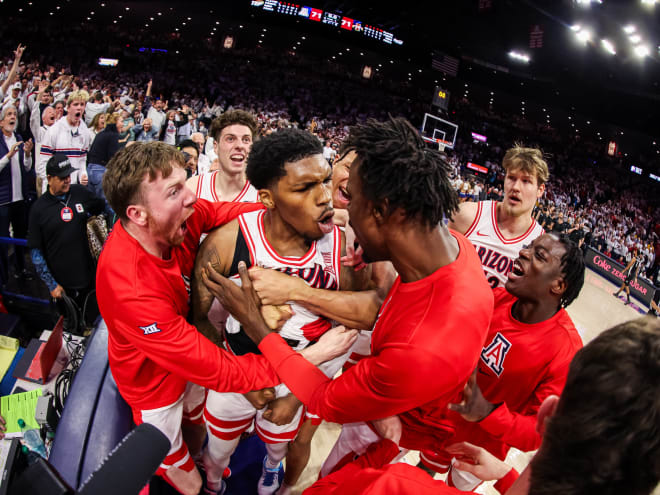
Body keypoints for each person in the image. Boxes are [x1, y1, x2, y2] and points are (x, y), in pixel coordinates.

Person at [201, 117, 494, 475]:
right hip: (402, 393)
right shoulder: (455, 251)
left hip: (391, 430)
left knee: (328, 476)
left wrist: (255, 323)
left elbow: (323, 400)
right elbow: (384, 306)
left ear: (382, 211)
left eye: (350, 200)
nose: (336, 208)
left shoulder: (419, 348)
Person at [95, 142, 352, 495]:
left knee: (198, 424)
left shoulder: (179, 215)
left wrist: (294, 210)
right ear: (138, 214)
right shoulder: (131, 290)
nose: (190, 197)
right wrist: (310, 358)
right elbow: (223, 370)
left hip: (187, 350)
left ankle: (206, 465)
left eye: (186, 181)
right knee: (185, 476)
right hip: (153, 384)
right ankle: (199, 484)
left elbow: (224, 210)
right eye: (175, 191)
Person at [191, 128, 369, 495]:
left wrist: (297, 394)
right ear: (269, 199)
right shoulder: (228, 241)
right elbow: (199, 321)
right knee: (218, 453)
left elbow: (347, 329)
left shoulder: (343, 245)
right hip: (237, 371)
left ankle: (272, 468)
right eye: (304, 188)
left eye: (323, 180)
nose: (324, 197)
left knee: (277, 449)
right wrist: (240, 378)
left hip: (299, 379)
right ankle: (212, 483)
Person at [304, 316, 660, 495]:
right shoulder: (503, 298)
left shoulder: (397, 484)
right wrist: (506, 478)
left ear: (548, 413)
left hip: (455, 437)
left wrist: (382, 451)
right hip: (449, 431)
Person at [418, 233, 585, 490]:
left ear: (558, 286)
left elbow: (537, 433)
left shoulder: (566, 351)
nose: (524, 253)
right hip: (441, 420)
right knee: (420, 475)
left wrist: (487, 413)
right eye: (529, 247)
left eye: (539, 256)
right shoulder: (496, 297)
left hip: (485, 449)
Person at [449, 145, 547, 288]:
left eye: (526, 181)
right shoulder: (467, 215)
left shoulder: (540, 244)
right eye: (511, 178)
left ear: (540, 190)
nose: (516, 187)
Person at [27, 155, 104, 330]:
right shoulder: (39, 209)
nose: (67, 180)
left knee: (94, 322)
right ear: (49, 179)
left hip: (89, 278)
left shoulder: (80, 193)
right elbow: (35, 251)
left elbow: (103, 208)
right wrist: (51, 284)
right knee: (70, 328)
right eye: (62, 177)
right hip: (63, 286)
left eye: (68, 175)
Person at [186, 109, 259, 203]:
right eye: (230, 139)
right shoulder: (194, 187)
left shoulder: (263, 195)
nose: (240, 146)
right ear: (215, 147)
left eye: (246, 140)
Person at [0, 104, 34, 282]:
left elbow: (27, 168)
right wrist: (8, 156)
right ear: (1, 121)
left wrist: (27, 154)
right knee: (3, 240)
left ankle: (21, 269)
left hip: (20, 197)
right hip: (3, 200)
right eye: (9, 114)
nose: (13, 117)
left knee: (20, 235)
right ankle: (3, 276)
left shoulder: (19, 138)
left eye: (14, 114)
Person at [39, 90, 92, 186]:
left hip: (73, 186)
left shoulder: (85, 132)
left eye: (82, 104)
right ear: (68, 108)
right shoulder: (54, 130)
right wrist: (50, 185)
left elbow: (82, 160)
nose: (79, 108)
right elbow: (44, 162)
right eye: (75, 104)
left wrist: (83, 175)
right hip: (55, 187)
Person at [87, 112, 124, 218]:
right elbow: (113, 157)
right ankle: (113, 230)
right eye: (121, 121)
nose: (123, 124)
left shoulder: (101, 133)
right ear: (115, 122)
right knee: (109, 204)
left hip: (90, 170)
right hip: (100, 171)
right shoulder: (112, 135)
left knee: (94, 205)